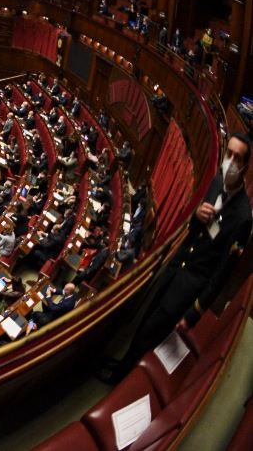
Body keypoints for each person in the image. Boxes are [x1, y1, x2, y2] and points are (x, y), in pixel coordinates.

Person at [103, 134, 252, 381]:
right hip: (177, 265)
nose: (231, 162)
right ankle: (123, 363)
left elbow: (222, 273)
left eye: (238, 158)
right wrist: (196, 216)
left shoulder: (243, 217)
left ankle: (121, 378)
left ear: (245, 167)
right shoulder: (216, 181)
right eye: (229, 155)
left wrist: (195, 312)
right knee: (146, 318)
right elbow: (195, 230)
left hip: (191, 283)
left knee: (152, 333)